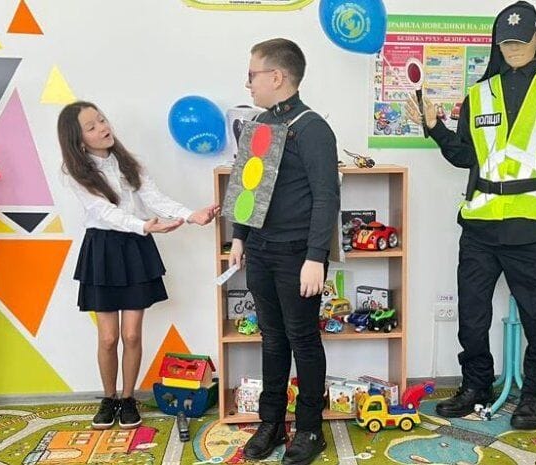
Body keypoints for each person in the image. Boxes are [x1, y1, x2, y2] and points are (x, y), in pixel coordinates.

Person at [405, 1, 536, 430]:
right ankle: (476, 385)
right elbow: (467, 156)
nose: (513, 48)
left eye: (521, 41)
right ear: (496, 45)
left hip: (532, 229)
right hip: (479, 228)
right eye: (506, 42)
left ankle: (535, 395)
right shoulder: (479, 94)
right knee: (472, 316)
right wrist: (435, 128)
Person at [57, 101, 219, 430]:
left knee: (131, 334)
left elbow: (155, 198)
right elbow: (104, 212)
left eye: (102, 119)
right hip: (103, 249)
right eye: (91, 126)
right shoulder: (75, 173)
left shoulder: (129, 163)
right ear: (78, 140)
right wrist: (144, 225)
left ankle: (128, 398)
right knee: (107, 338)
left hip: (134, 249)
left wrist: (191, 215)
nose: (103, 127)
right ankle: (109, 398)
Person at [231, 38, 340, 465]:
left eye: (252, 74)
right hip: (260, 250)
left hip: (297, 255)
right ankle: (272, 422)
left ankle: (310, 428)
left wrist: (315, 257)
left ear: (276, 76)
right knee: (272, 339)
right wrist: (239, 236)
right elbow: (248, 184)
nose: (248, 83)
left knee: (303, 340)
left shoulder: (313, 128)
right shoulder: (259, 123)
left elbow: (326, 196)